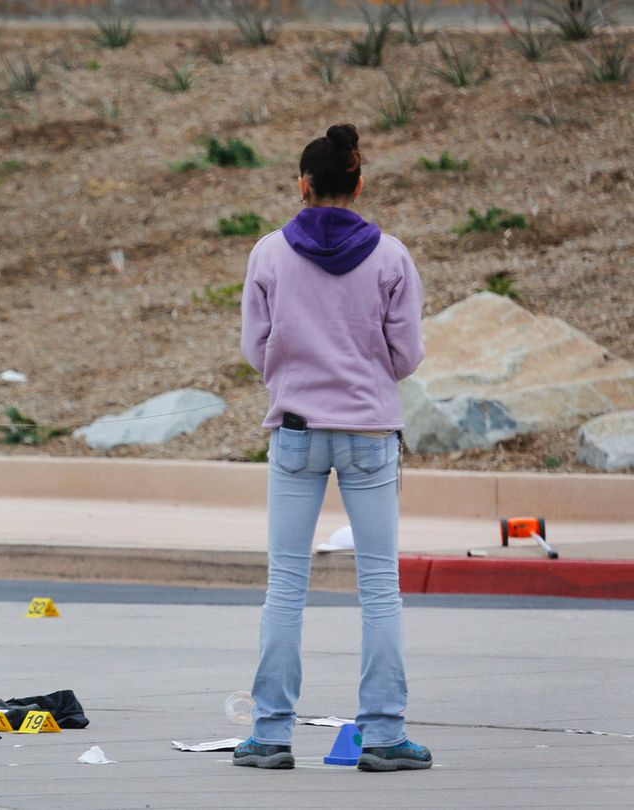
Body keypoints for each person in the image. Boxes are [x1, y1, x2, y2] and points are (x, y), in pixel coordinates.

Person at [236, 124, 431, 772]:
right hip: (370, 435)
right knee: (380, 588)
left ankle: (268, 735)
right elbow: (406, 355)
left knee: (285, 586)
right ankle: (383, 734)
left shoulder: (267, 254)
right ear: (359, 183)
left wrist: (294, 373)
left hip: (294, 431)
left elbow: (254, 349)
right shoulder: (392, 257)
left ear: (302, 185)